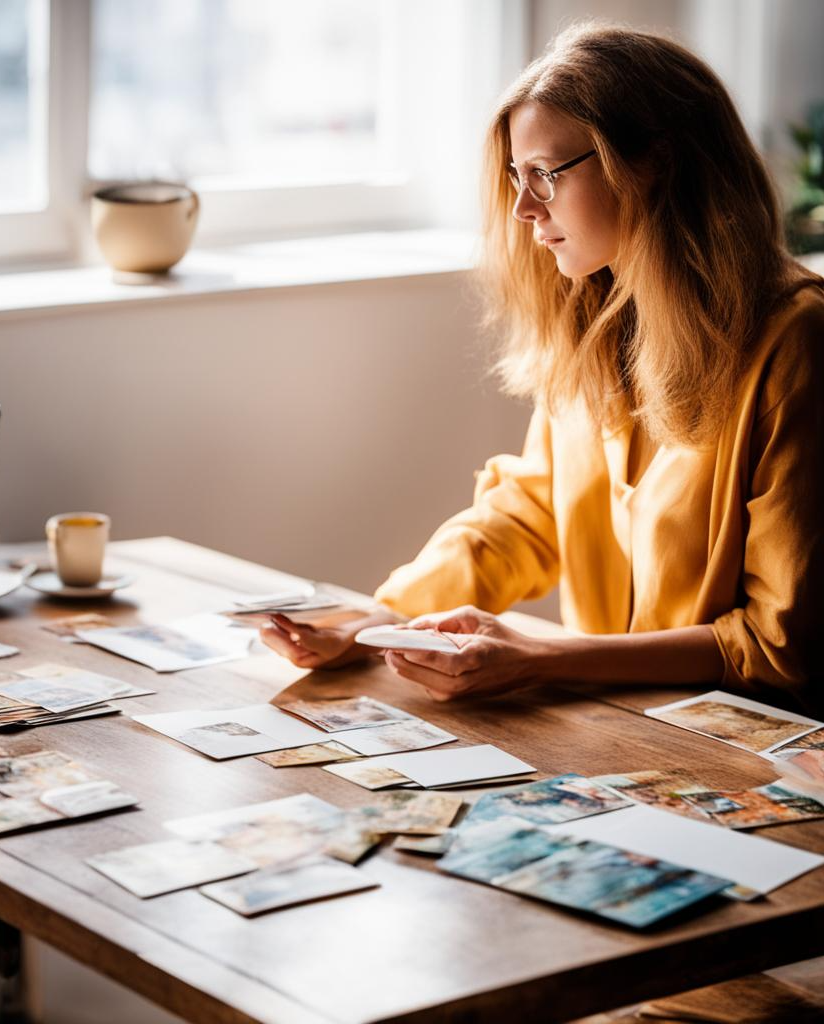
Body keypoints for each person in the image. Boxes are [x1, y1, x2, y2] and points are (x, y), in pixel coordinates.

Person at [261, 23, 824, 715]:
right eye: (514, 179)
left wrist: (540, 657)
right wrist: (375, 621)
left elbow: (775, 647)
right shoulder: (595, 319)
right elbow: (529, 514)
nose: (524, 210)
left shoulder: (797, 341)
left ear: (654, 161)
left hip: (755, 746)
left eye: (545, 176)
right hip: (622, 726)